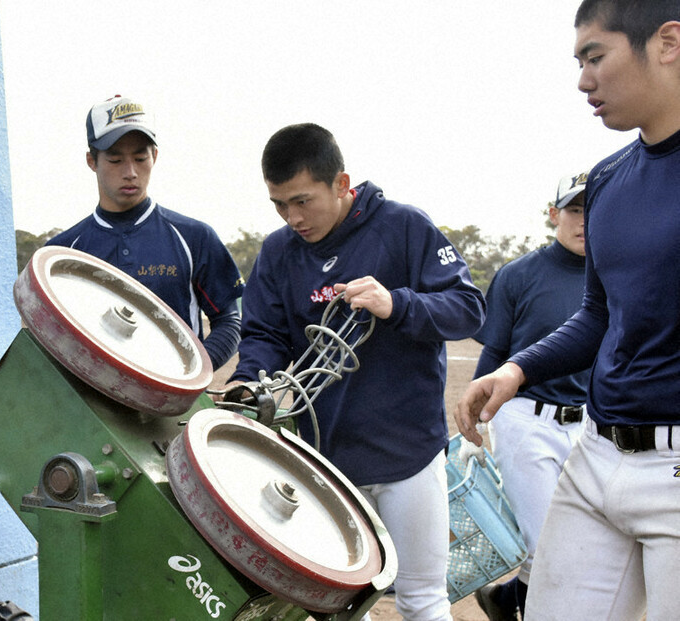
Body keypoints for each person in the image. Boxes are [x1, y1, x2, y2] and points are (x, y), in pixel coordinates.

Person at [455, 1, 680, 618]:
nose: (583, 80)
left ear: (667, 42)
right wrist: (514, 371)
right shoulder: (607, 181)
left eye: (595, 56)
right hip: (596, 454)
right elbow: (599, 316)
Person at [226, 123, 485, 620]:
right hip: (325, 462)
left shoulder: (404, 227)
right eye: (280, 205)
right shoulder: (279, 252)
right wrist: (250, 379)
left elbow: (469, 308)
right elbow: (263, 333)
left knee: (422, 598)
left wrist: (397, 303)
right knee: (337, 608)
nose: (292, 217)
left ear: (341, 184)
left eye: (303, 201)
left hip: (407, 456)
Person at [46, 95, 243, 370]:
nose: (130, 172)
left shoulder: (194, 237)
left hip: (179, 406)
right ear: (92, 161)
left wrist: (188, 376)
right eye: (115, 160)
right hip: (92, 406)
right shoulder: (62, 253)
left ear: (155, 156)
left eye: (140, 158)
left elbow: (229, 321)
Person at [471, 173, 589, 621]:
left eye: (594, 211)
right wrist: (475, 421)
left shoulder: (615, 275)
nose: (585, 221)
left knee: (583, 547)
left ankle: (505, 600)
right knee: (546, 548)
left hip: (589, 425)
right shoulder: (519, 274)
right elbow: (497, 352)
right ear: (555, 214)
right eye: (575, 210)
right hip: (525, 418)